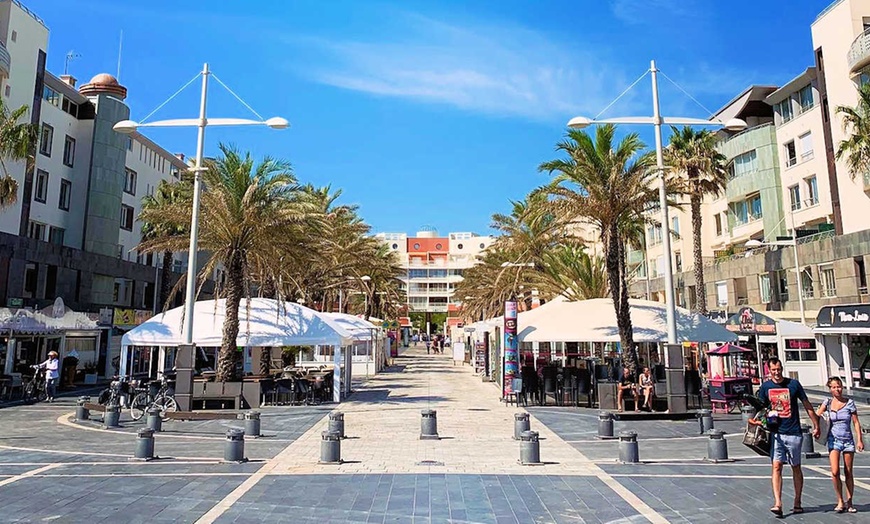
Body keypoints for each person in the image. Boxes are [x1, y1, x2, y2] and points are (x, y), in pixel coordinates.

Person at [751, 357, 820, 517]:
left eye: (779, 369)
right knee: (776, 467)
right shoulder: (766, 387)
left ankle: (797, 501)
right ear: (769, 370)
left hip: (794, 432)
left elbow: (807, 404)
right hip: (776, 434)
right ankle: (778, 503)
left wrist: (816, 423)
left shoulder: (793, 384)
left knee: (796, 466)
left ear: (782, 368)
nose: (777, 372)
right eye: (773, 370)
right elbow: (760, 408)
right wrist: (755, 420)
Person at [816, 376, 864, 513]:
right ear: (830, 389)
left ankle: (850, 502)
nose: (837, 389)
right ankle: (839, 500)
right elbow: (817, 416)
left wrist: (859, 439)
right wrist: (816, 426)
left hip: (848, 440)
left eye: (839, 386)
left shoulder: (850, 403)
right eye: (834, 387)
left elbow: (855, 422)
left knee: (848, 472)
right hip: (834, 440)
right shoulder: (828, 402)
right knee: (835, 471)